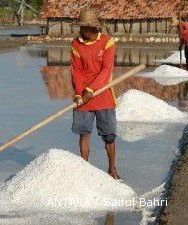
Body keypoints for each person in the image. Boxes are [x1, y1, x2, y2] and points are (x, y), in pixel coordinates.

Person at [70, 8, 120, 179]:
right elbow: (76, 71)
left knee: (109, 136)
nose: (86, 32)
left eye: (89, 29)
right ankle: (84, 170)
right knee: (84, 133)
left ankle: (112, 169)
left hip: (103, 94)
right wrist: (79, 94)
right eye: (84, 29)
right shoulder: (76, 44)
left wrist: (92, 90)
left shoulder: (107, 42)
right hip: (83, 97)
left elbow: (106, 70)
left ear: (95, 28)